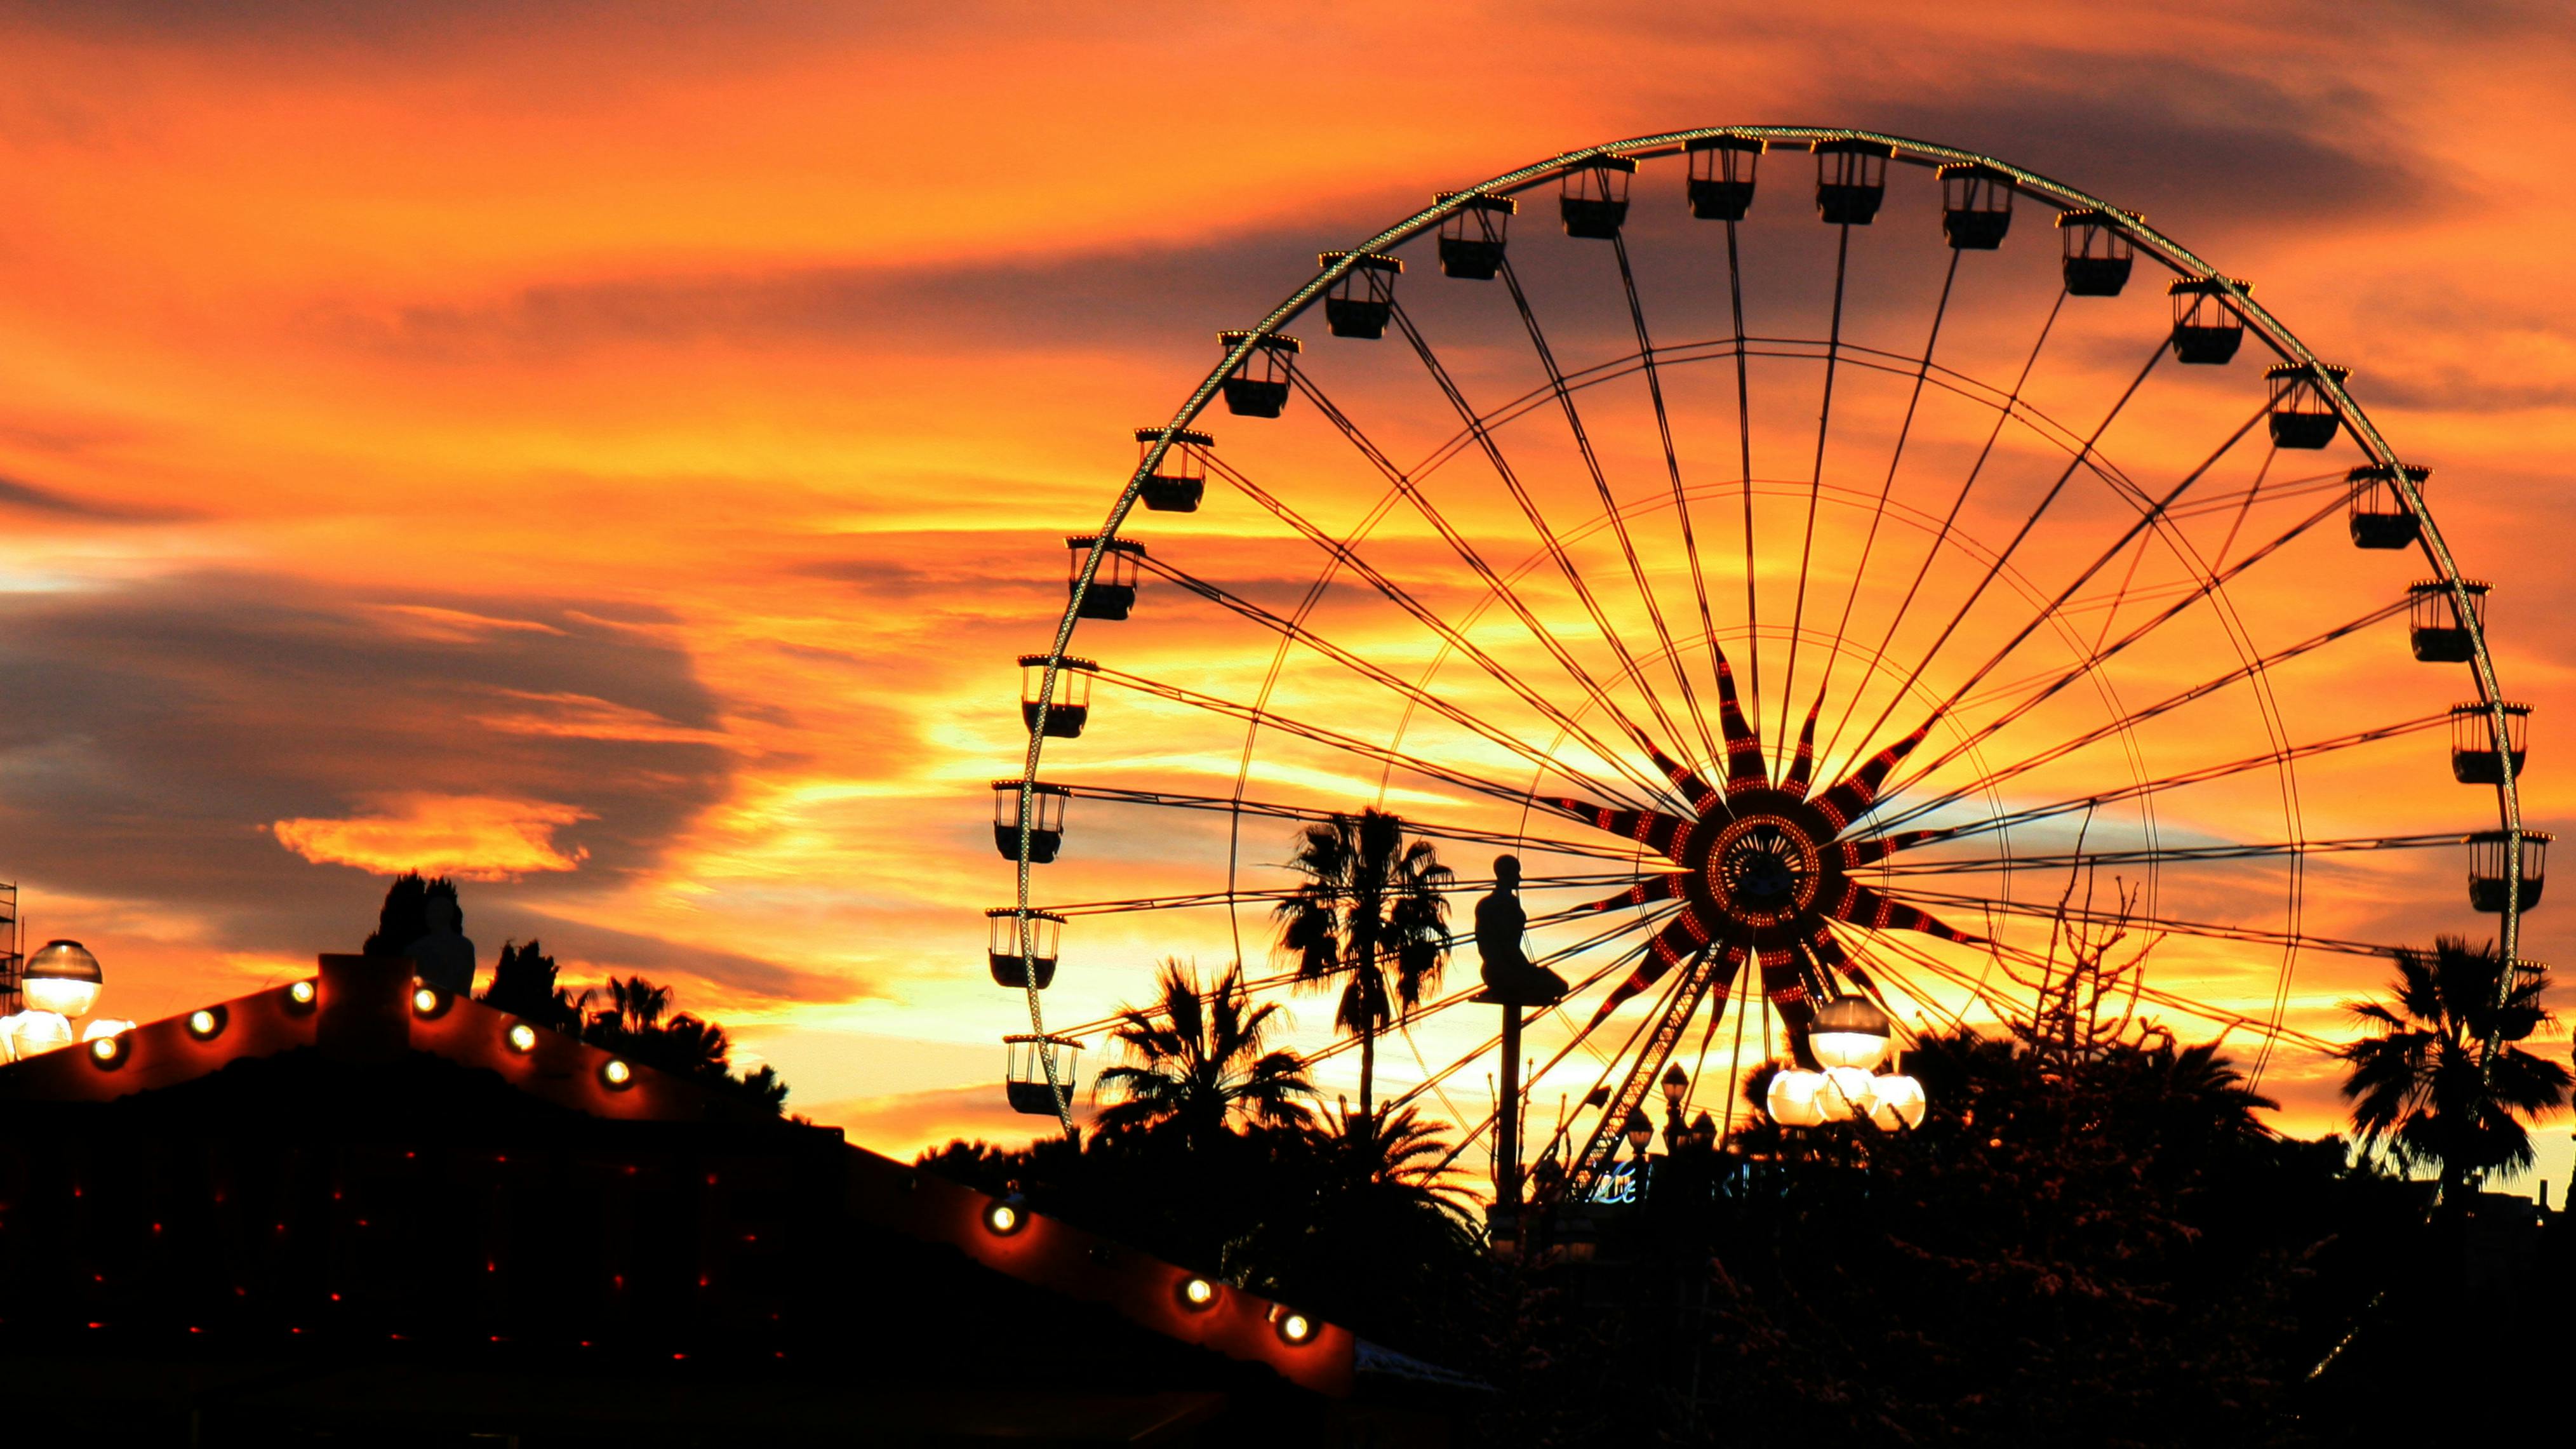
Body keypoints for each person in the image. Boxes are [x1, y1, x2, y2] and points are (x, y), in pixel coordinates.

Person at [1476, 855, 1569, 1006]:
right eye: (1516, 873)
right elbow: (1509, 948)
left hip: (1495, 969)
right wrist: (1527, 969)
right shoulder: (1502, 905)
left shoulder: (1492, 903)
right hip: (1505, 970)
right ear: (1506, 874)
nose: (1519, 878)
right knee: (1559, 986)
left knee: (1554, 984)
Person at [406, 891, 478, 996]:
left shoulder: (463, 946)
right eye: (428, 912)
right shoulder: (416, 948)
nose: (429, 916)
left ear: (447, 914)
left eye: (434, 912)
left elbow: (462, 982)